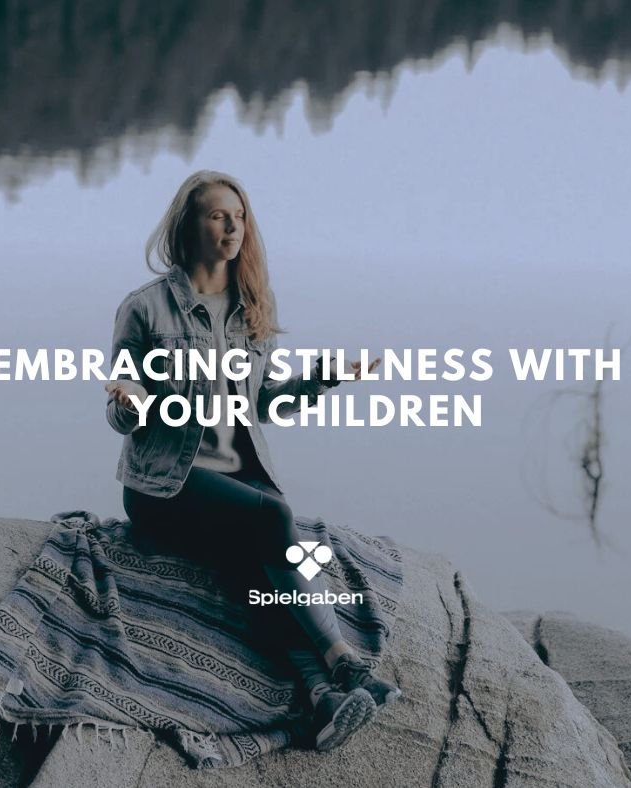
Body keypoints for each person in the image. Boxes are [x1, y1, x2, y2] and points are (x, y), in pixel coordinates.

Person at [104, 170, 401, 753]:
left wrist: (323, 380)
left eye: (239, 216)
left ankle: (321, 701)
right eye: (218, 215)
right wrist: (132, 405)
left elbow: (265, 404)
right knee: (271, 521)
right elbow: (118, 409)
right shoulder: (144, 309)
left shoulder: (251, 308)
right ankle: (343, 661)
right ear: (188, 225)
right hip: (165, 485)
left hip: (234, 479)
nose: (233, 226)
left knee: (255, 571)